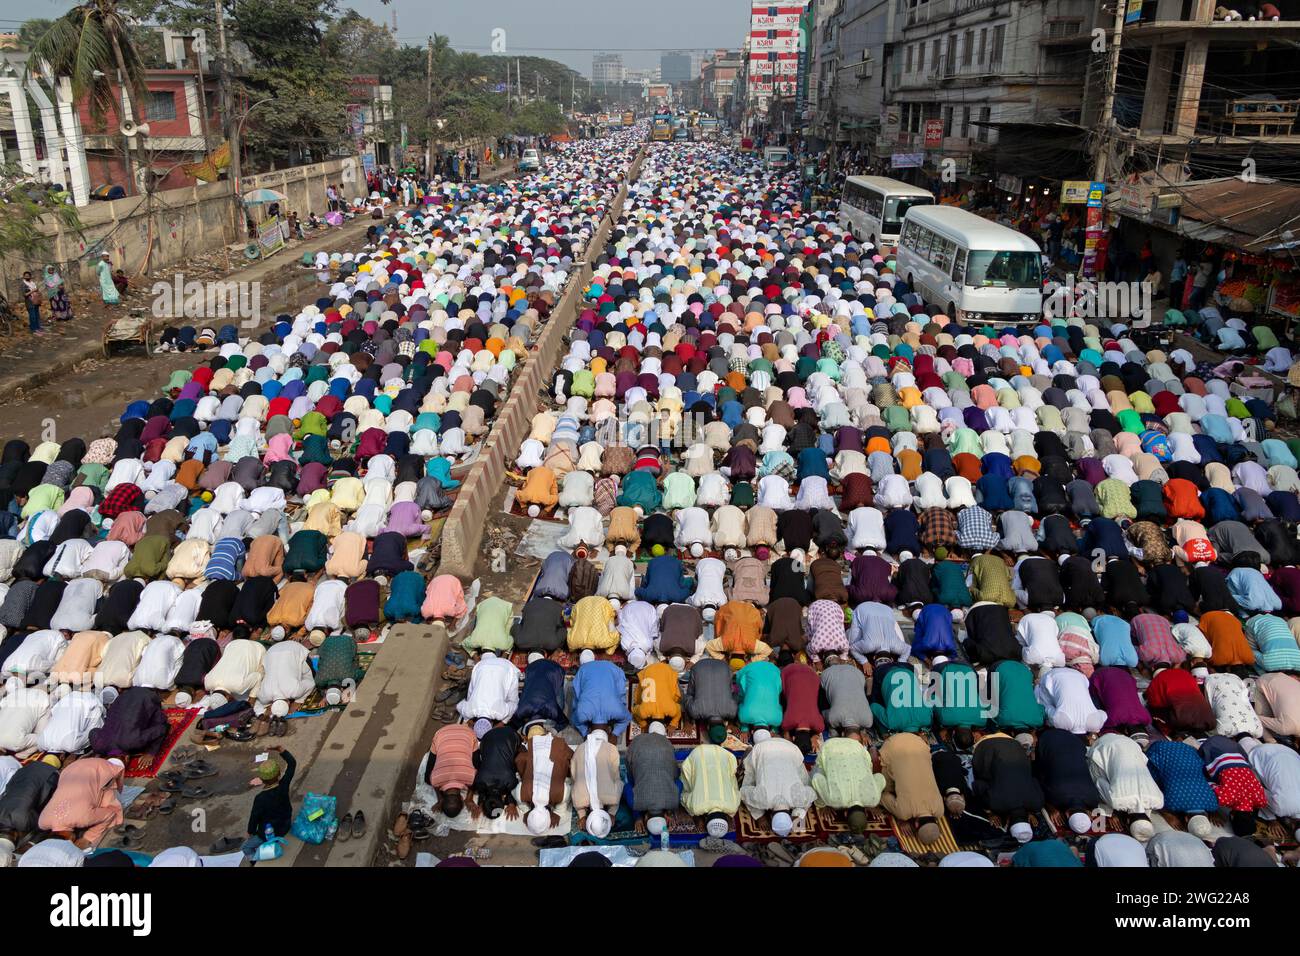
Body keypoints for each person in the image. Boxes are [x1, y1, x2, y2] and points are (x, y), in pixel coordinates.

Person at [739, 728, 817, 835]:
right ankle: (748, 755)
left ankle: (749, 755)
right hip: (768, 748)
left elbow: (811, 793)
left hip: (788, 747)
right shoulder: (762, 800)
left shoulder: (799, 799)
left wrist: (799, 813)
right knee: (750, 775)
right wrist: (760, 816)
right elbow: (743, 792)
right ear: (771, 816)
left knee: (803, 780)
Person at [37, 756, 124, 848]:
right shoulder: (42, 822)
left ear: (70, 839)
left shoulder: (83, 818)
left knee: (109, 805)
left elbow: (110, 814)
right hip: (70, 769)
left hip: (98, 767)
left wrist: (87, 838)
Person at [879, 731, 946, 845]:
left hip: (919, 743)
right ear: (915, 825)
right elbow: (882, 797)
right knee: (885, 787)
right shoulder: (904, 813)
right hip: (892, 745)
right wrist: (900, 817)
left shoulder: (940, 810)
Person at [516, 722, 573, 836]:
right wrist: (558, 812)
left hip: (556, 746)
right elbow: (519, 799)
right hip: (540, 745)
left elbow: (566, 794)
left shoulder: (559, 794)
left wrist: (558, 812)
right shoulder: (522, 794)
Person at [627, 720, 681, 835]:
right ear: (646, 818)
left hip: (638, 749)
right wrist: (637, 816)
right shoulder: (635, 803)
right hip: (635, 750)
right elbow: (627, 786)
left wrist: (670, 811)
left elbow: (678, 782)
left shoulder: (673, 802)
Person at [242, 746, 295, 857]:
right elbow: (292, 764)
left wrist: (249, 832)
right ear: (279, 773)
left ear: (262, 779)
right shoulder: (284, 785)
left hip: (269, 833)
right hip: (286, 825)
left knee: (245, 847)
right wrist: (281, 749)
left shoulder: (260, 798)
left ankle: (256, 859)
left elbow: (254, 818)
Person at [680, 742, 741, 838]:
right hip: (698, 753)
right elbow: (683, 797)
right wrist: (695, 815)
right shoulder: (696, 808)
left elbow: (736, 791)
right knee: (688, 784)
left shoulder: (733, 807)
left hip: (721, 753)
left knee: (732, 779)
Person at [572, 727, 621, 836]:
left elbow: (573, 775)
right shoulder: (612, 748)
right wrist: (612, 812)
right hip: (608, 794)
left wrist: (582, 815)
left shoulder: (580, 748)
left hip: (596, 796)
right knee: (617, 781)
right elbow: (616, 776)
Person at [424, 722, 478, 819]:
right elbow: (435, 784)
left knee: (478, 767)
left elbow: (475, 783)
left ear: (462, 798)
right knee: (427, 779)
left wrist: (469, 797)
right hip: (442, 733)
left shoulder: (471, 778)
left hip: (467, 733)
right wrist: (440, 799)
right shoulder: (435, 779)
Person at [456, 650, 519, 725]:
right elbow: (459, 706)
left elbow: (514, 705)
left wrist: (502, 723)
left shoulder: (500, 713)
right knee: (473, 690)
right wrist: (467, 719)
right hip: (482, 665)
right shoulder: (470, 710)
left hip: (507, 668)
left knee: (513, 699)